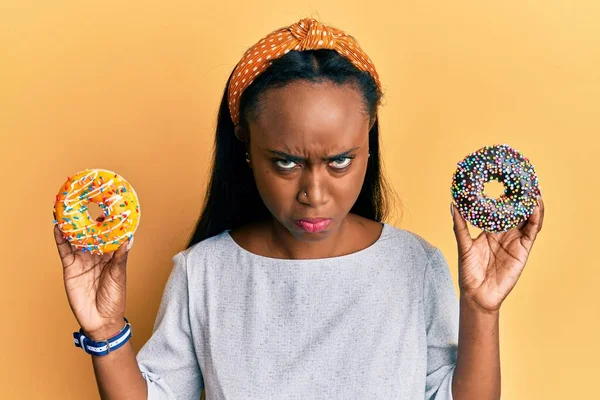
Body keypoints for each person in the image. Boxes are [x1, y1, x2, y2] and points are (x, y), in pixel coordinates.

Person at [54, 17, 545, 400]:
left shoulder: (415, 266)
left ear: (368, 140)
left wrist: (482, 309)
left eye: (340, 161)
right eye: (286, 162)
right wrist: (105, 331)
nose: (314, 192)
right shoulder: (202, 273)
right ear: (246, 144)